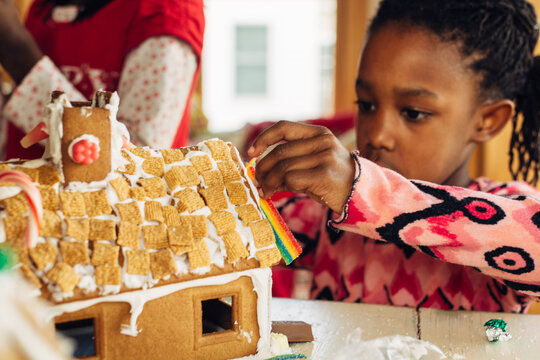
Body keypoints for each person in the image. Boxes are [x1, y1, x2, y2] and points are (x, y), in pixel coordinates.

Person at [249, 0, 540, 313]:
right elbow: (243, 232)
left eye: (413, 113)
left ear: (487, 120)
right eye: (366, 105)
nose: (377, 134)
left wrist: (366, 192)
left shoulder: (504, 214)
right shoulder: (328, 219)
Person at [0, 0, 204, 160]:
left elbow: (136, 159)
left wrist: (18, 54)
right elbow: (22, 138)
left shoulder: (165, 13)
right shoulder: (44, 8)